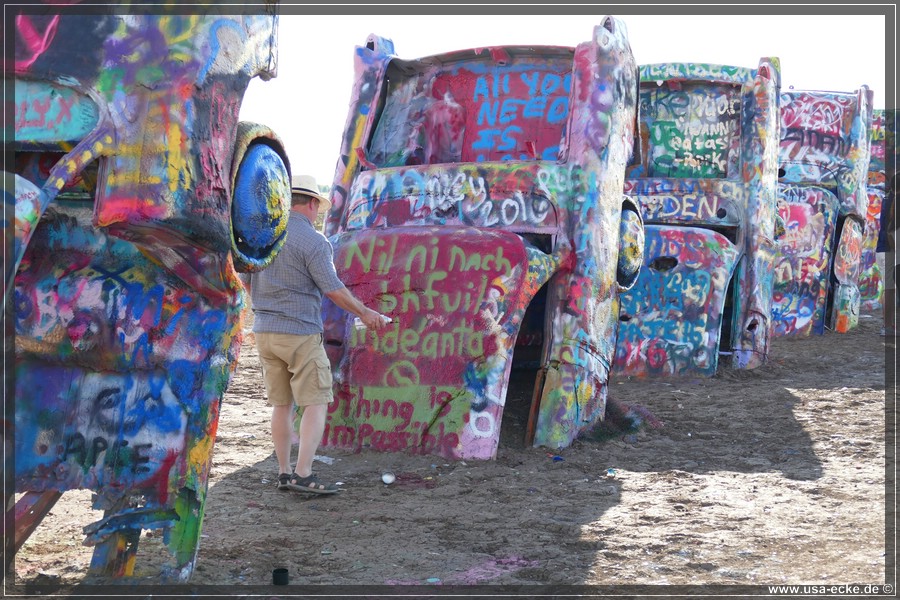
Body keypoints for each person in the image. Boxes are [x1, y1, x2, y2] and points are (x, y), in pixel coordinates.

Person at [242, 174, 390, 494]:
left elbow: (244, 275)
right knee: (316, 401)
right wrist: (367, 313)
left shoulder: (261, 235)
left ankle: (283, 472)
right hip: (299, 333)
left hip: (265, 332)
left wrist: (263, 302)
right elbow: (333, 290)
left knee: (282, 405)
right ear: (311, 203)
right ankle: (304, 474)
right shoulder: (313, 240)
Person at [877, 173, 896, 337]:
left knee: (890, 288)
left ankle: (889, 325)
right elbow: (891, 231)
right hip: (891, 250)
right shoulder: (894, 201)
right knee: (890, 288)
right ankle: (888, 326)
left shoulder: (888, 198)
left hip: (886, 249)